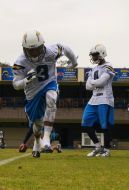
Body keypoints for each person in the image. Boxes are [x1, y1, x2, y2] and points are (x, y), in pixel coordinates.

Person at [13, 30, 78, 158]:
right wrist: (26, 80)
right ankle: (38, 141)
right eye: (30, 50)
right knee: (37, 126)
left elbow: (65, 48)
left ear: (42, 45)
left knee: (52, 97)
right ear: (24, 49)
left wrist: (74, 63)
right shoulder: (20, 62)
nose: (34, 53)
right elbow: (15, 84)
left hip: (49, 83)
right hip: (32, 92)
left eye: (37, 49)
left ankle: (47, 138)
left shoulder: (51, 51)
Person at [81, 44, 115, 157]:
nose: (94, 57)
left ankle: (107, 149)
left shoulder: (108, 66)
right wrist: (95, 83)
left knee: (105, 125)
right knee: (85, 123)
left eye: (95, 55)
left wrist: (93, 82)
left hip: (105, 98)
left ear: (101, 53)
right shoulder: (94, 69)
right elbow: (87, 87)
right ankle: (97, 146)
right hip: (93, 99)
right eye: (93, 55)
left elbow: (102, 82)